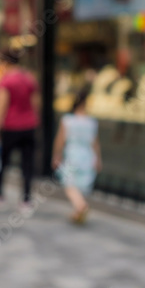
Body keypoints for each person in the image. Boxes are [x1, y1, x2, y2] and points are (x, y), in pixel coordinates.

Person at [0, 48, 40, 210]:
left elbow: (0, 107)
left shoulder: (5, 81)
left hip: (10, 127)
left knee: (2, 162)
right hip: (29, 126)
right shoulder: (30, 78)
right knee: (27, 164)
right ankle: (25, 199)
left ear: (4, 62)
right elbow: (36, 103)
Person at [52, 86, 102, 224]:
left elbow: (60, 140)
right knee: (79, 185)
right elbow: (95, 143)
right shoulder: (91, 122)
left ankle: (80, 206)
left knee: (69, 184)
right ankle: (77, 211)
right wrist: (98, 158)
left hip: (73, 154)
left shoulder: (68, 120)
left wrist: (56, 155)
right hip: (87, 155)